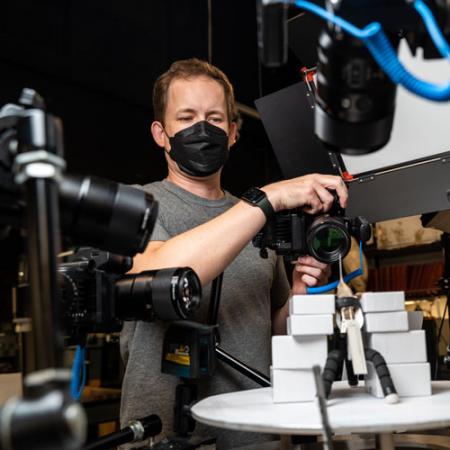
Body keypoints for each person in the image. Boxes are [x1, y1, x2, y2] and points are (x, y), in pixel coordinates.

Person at [120, 58, 348, 449]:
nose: (202, 128)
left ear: (233, 132)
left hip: (255, 433)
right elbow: (161, 273)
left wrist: (299, 292)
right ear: (161, 133)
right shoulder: (136, 204)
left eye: (215, 118)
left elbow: (273, 333)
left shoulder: (255, 219)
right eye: (186, 117)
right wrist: (270, 197)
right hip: (166, 436)